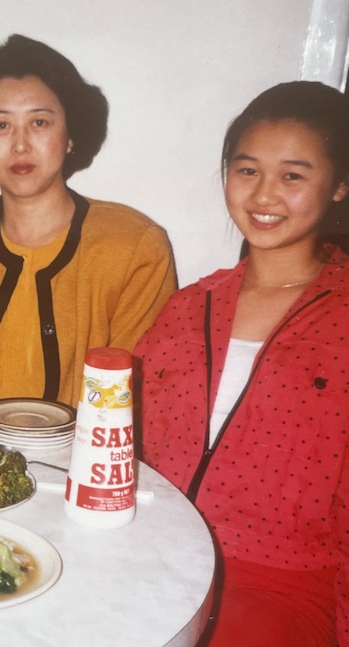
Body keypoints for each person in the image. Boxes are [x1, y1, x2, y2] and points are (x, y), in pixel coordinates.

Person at [134, 81, 349, 646]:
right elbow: (121, 437)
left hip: (280, 583)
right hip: (158, 552)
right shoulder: (190, 307)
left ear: (340, 186)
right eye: (247, 170)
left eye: (293, 175)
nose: (264, 195)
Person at [0, 34, 176, 405]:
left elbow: (134, 395)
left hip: (79, 457)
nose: (21, 145)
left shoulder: (133, 245)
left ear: (70, 134)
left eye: (39, 123)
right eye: (1, 125)